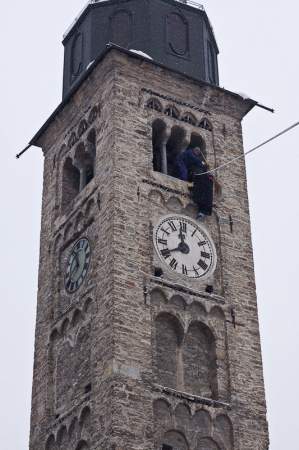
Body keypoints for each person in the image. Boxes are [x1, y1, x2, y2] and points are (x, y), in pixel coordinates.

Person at [173, 146, 214, 220]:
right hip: (180, 162)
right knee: (184, 174)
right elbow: (195, 160)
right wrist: (203, 164)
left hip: (188, 169)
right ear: (194, 150)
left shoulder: (194, 156)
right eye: (197, 152)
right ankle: (182, 183)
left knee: (185, 174)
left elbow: (197, 162)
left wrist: (205, 167)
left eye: (198, 153)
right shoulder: (189, 152)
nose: (197, 153)